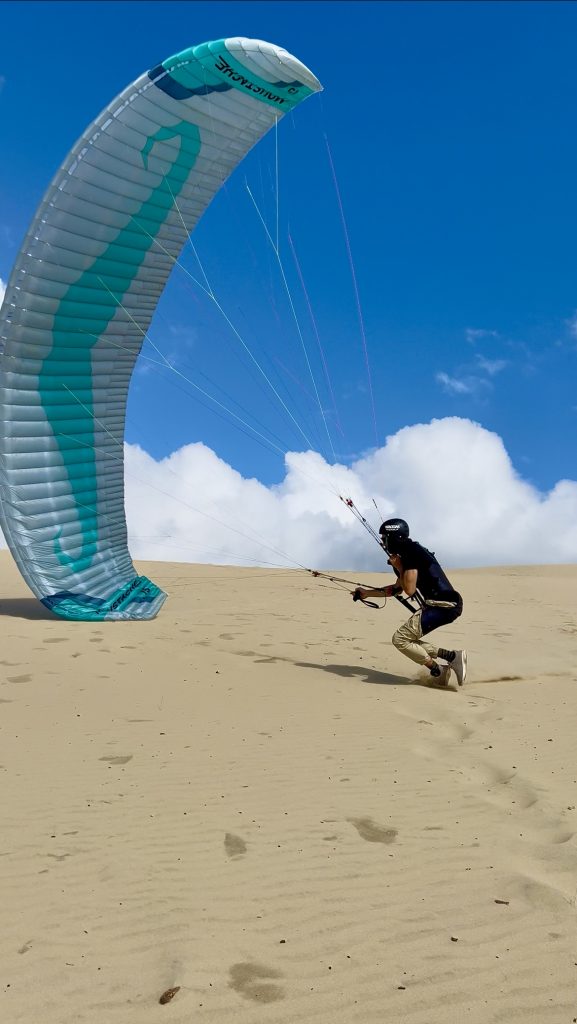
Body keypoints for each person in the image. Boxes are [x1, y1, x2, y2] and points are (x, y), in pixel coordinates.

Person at [352, 518, 466, 689]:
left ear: (395, 537)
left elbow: (410, 590)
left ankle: (439, 670)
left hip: (444, 605)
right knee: (407, 640)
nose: (383, 542)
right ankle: (451, 657)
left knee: (400, 639)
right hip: (443, 605)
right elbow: (396, 590)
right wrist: (367, 594)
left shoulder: (411, 552)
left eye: (385, 538)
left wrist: (399, 567)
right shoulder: (407, 554)